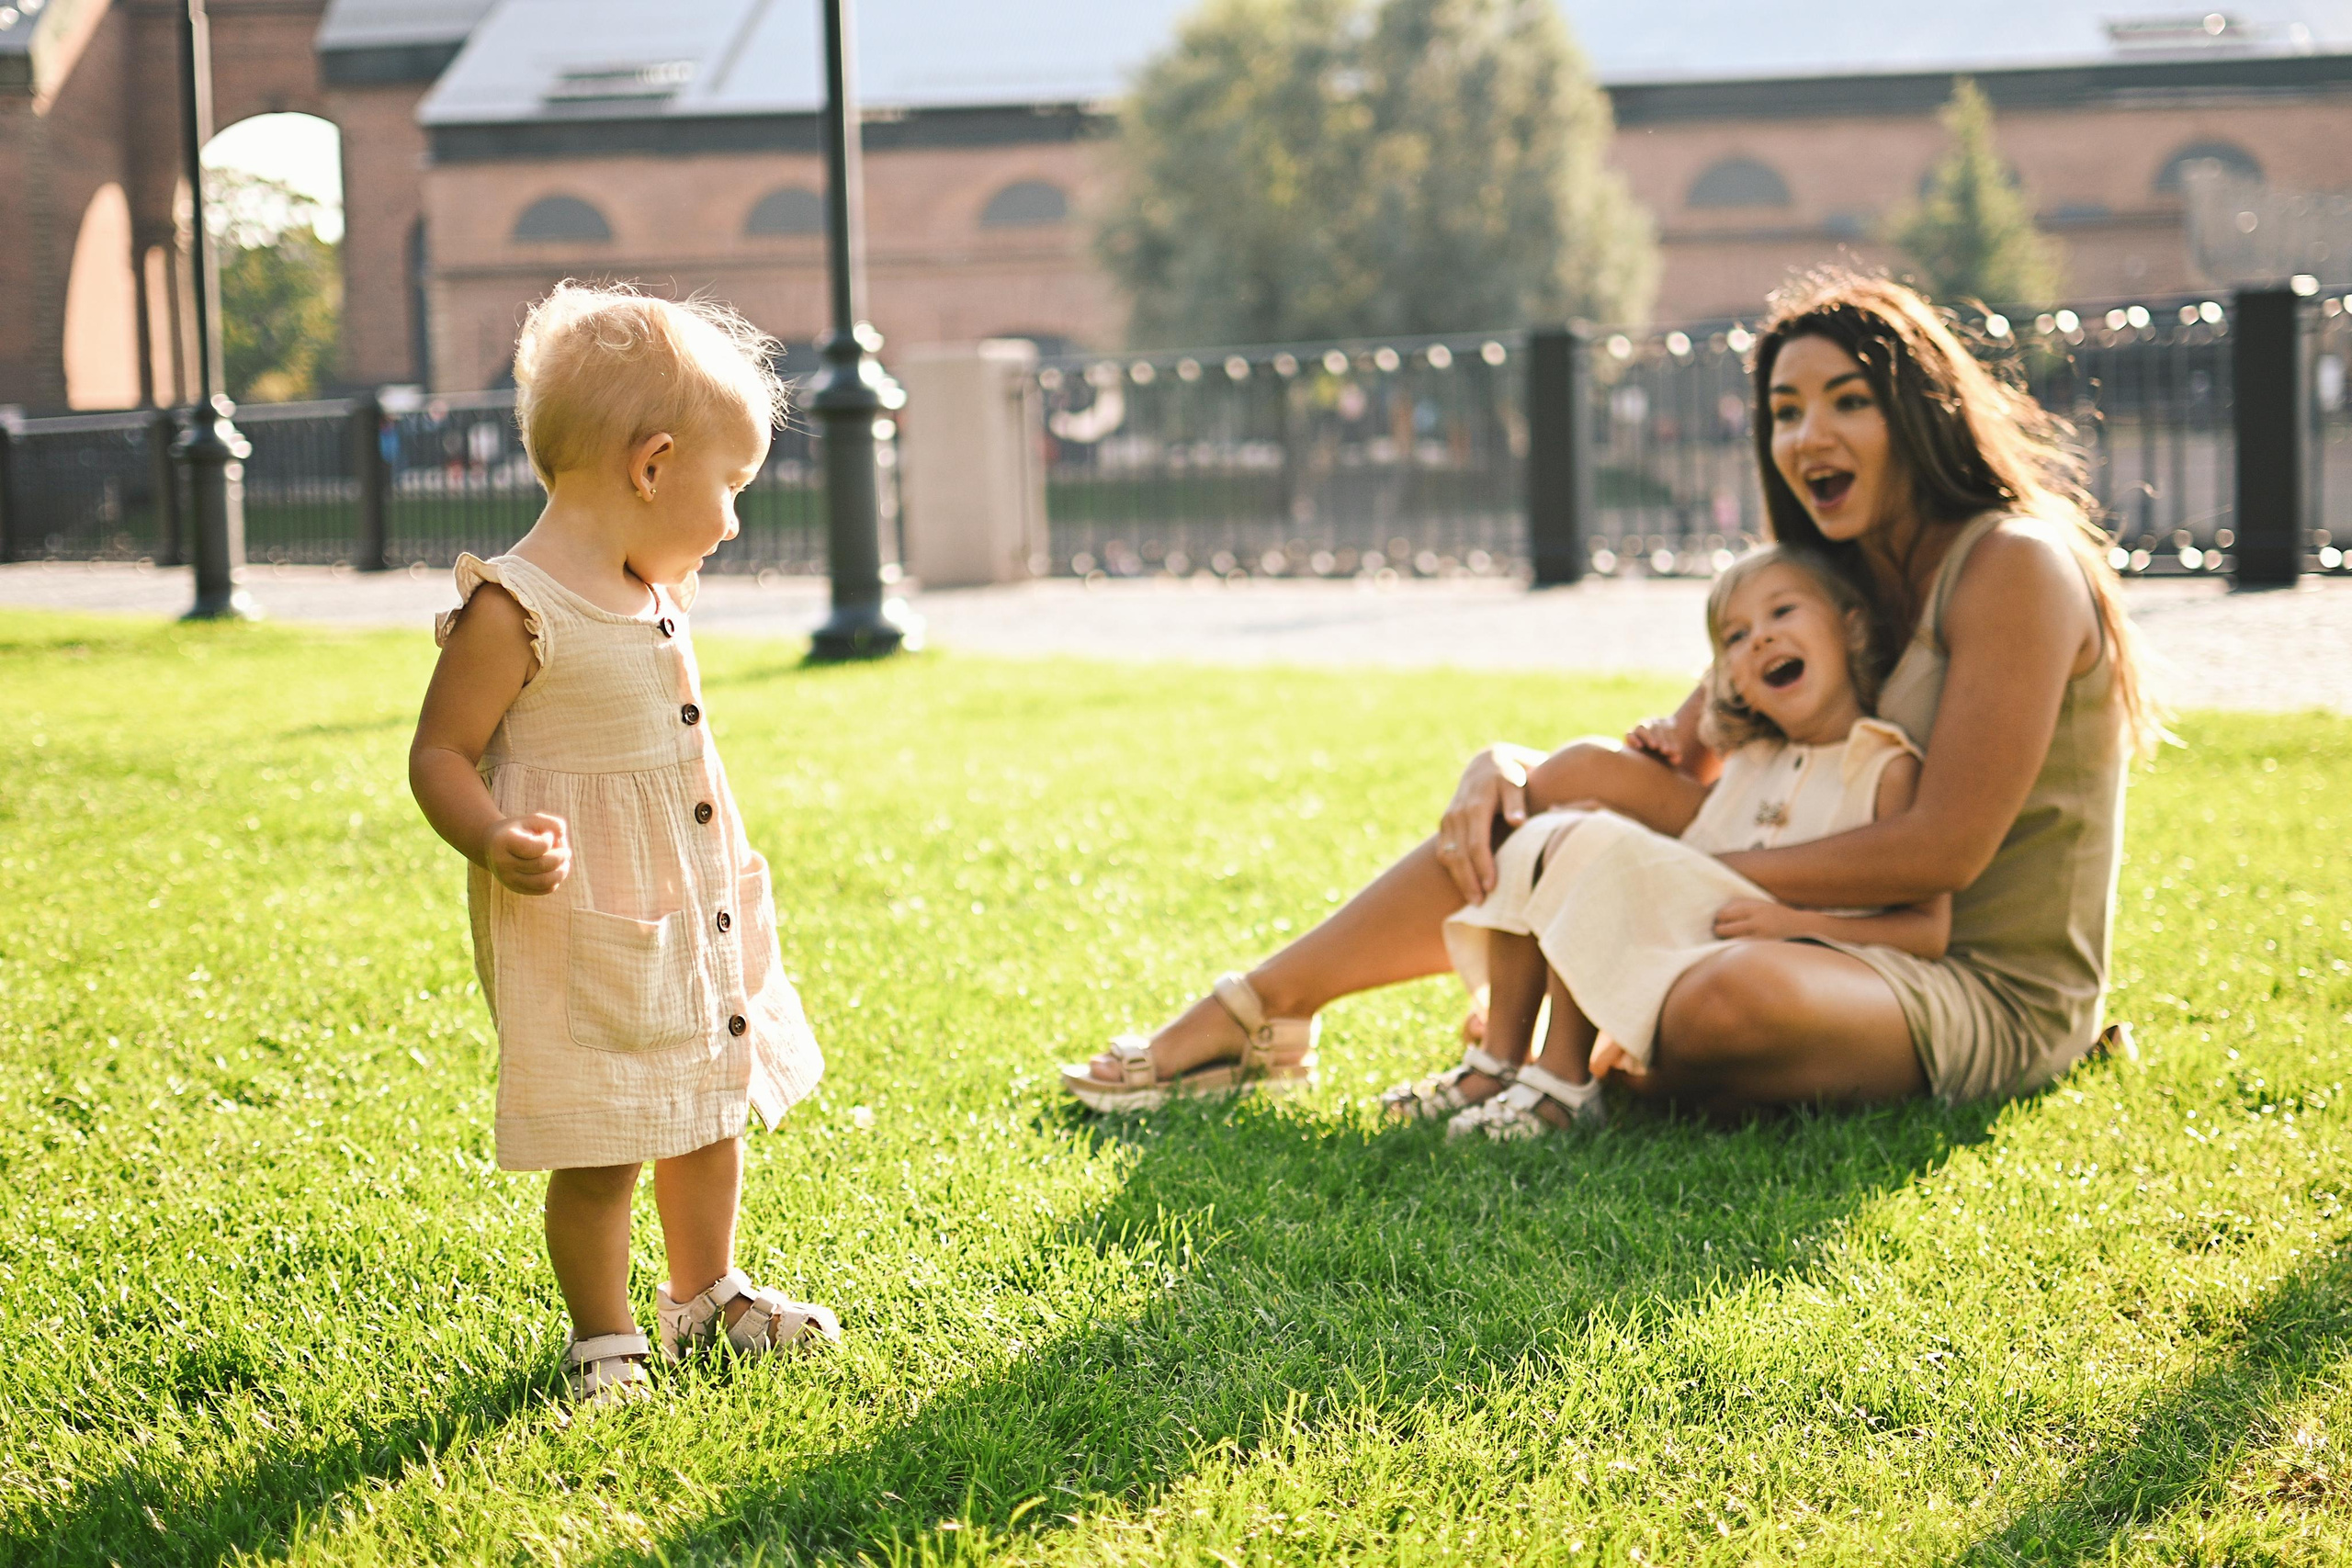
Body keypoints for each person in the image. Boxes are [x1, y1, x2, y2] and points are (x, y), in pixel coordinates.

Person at [1061, 272, 2158, 1117]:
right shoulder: (1831, 578)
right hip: (1817, 935)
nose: (1806, 437)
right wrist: (1510, 770)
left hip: (1967, 980)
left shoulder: (2013, 564)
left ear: (1921, 410)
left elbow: (1941, 852)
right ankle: (1265, 1008)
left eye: (1848, 402)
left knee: (1724, 1002)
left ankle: (1584, 1045)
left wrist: (1652, 883)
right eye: (1783, 412)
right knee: (1567, 784)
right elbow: (1674, 759)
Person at [410, 283, 835, 1405]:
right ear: (651, 467)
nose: (732, 522)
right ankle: (603, 1336)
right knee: (604, 1139)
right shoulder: (517, 608)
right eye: (731, 487)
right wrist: (493, 836)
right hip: (585, 916)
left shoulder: (653, 589)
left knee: (709, 1100)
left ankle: (705, 1292)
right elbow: (440, 753)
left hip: (692, 902)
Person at [1410, 545, 1949, 1140]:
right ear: (1731, 681)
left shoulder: (1886, 768)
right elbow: (1688, 853)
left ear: (1851, 628)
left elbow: (1929, 932)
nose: (1762, 639)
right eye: (1737, 636)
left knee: (1598, 844)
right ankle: (1497, 1063)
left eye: (1783, 612)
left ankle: (1563, 1085)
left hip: (1794, 967)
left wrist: (1796, 924)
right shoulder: (1747, 763)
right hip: (1689, 944)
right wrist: (1657, 753)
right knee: (1550, 830)